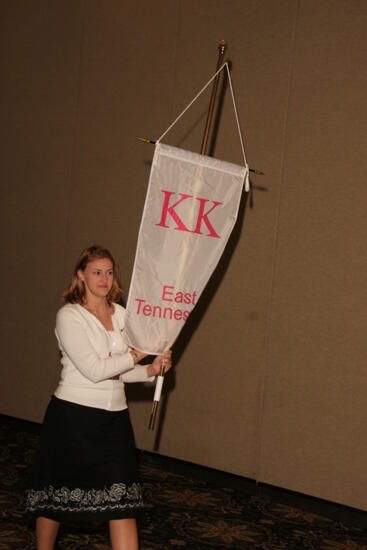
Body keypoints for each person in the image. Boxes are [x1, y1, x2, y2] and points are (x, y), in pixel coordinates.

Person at [25, 245, 172, 549]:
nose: (104, 279)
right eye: (96, 272)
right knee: (56, 499)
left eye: (108, 272)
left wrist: (150, 369)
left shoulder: (121, 315)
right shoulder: (69, 315)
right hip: (72, 419)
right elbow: (94, 370)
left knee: (122, 504)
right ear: (81, 274)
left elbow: (119, 371)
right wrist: (137, 355)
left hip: (114, 421)